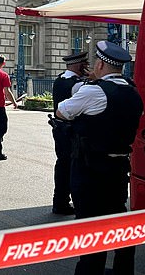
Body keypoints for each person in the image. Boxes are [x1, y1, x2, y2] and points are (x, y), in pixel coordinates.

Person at [56, 41, 143, 274]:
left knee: (90, 223)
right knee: (117, 217)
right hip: (118, 165)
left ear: (101, 64)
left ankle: (89, 270)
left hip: (90, 167)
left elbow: (62, 110)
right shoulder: (133, 92)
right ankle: (123, 270)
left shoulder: (94, 90)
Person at [49, 50, 89, 215]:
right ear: (79, 65)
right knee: (74, 168)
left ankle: (59, 200)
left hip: (59, 129)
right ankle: (66, 202)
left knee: (62, 165)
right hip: (72, 131)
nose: (87, 66)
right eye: (85, 64)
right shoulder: (78, 85)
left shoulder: (60, 79)